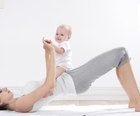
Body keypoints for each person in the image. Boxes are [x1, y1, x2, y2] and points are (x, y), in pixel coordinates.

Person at [0, 41, 140, 112]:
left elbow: (48, 81)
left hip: (70, 76)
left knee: (121, 57)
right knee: (121, 53)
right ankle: (136, 102)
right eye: (0, 91)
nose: (4, 88)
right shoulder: (20, 105)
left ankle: (135, 101)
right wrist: (50, 54)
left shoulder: (20, 98)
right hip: (75, 81)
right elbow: (50, 85)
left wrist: (48, 53)